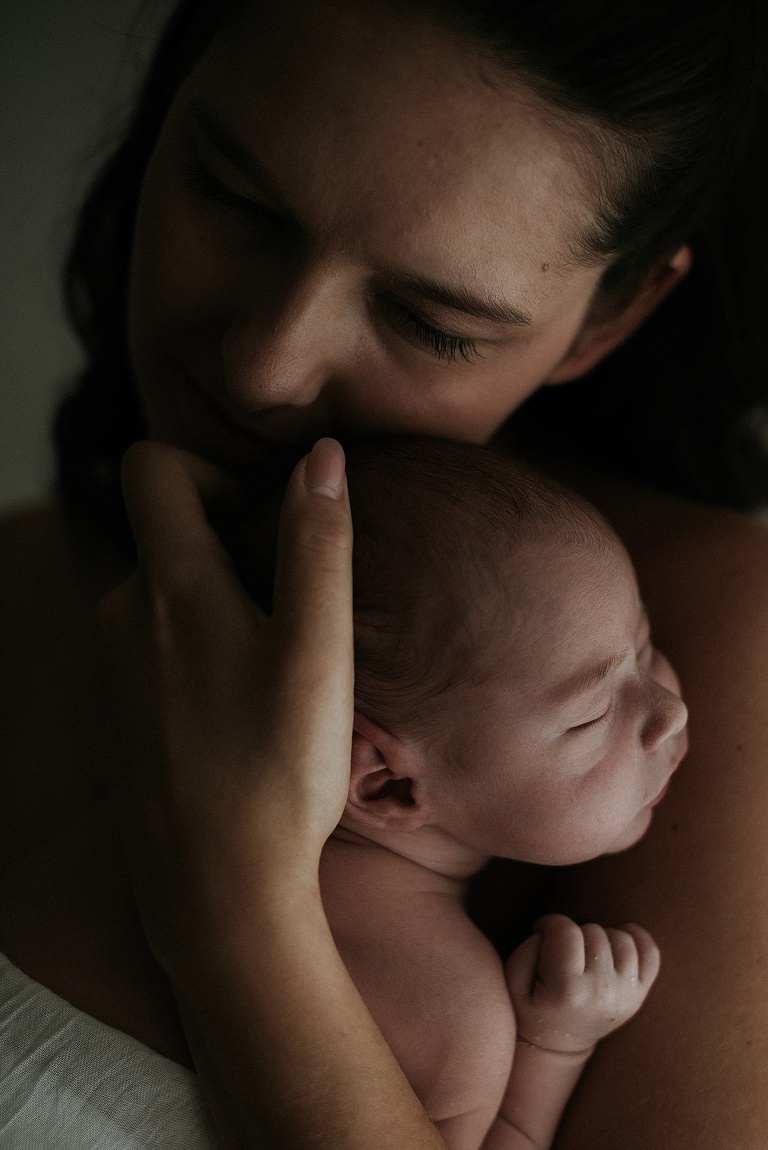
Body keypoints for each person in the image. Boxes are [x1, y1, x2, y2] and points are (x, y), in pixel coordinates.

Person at [1, 0, 768, 1147]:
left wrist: (244, 914)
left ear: (607, 320)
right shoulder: (15, 580)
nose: (266, 366)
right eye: (233, 195)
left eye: (430, 318)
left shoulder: (731, 639)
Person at [309, 438, 683, 1149]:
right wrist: (552, 1049)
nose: (672, 711)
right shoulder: (449, 1012)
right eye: (592, 714)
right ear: (387, 786)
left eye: (643, 644)